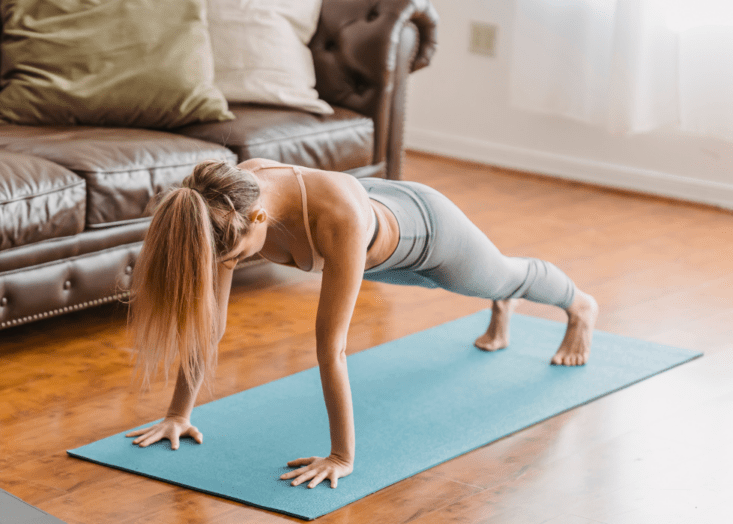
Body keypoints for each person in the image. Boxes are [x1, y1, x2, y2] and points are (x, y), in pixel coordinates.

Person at [125, 158, 598, 490]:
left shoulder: (335, 221)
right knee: (483, 286)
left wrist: (340, 458)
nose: (235, 264)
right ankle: (501, 304)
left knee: (502, 275)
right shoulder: (225, 200)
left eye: (240, 255)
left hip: (427, 231)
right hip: (373, 228)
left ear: (260, 218)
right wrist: (178, 415)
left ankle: (579, 306)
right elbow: (212, 325)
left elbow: (332, 348)